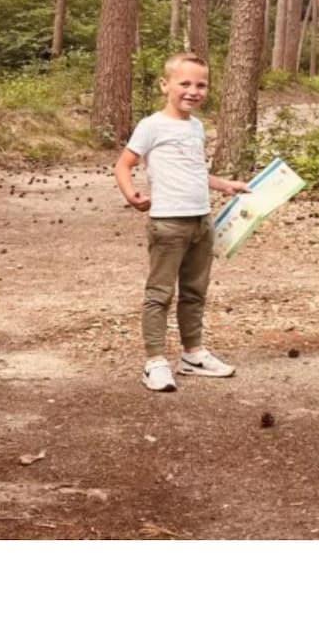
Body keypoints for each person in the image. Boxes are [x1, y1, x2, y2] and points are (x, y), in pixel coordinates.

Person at [114, 52, 249, 392]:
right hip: (168, 224)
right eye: (184, 83)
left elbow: (195, 171)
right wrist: (131, 194)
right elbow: (123, 164)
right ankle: (155, 361)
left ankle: (193, 354)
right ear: (165, 85)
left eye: (201, 85)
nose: (193, 91)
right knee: (160, 293)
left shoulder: (196, 127)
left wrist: (225, 185)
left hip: (201, 221)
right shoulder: (151, 126)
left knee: (195, 291)